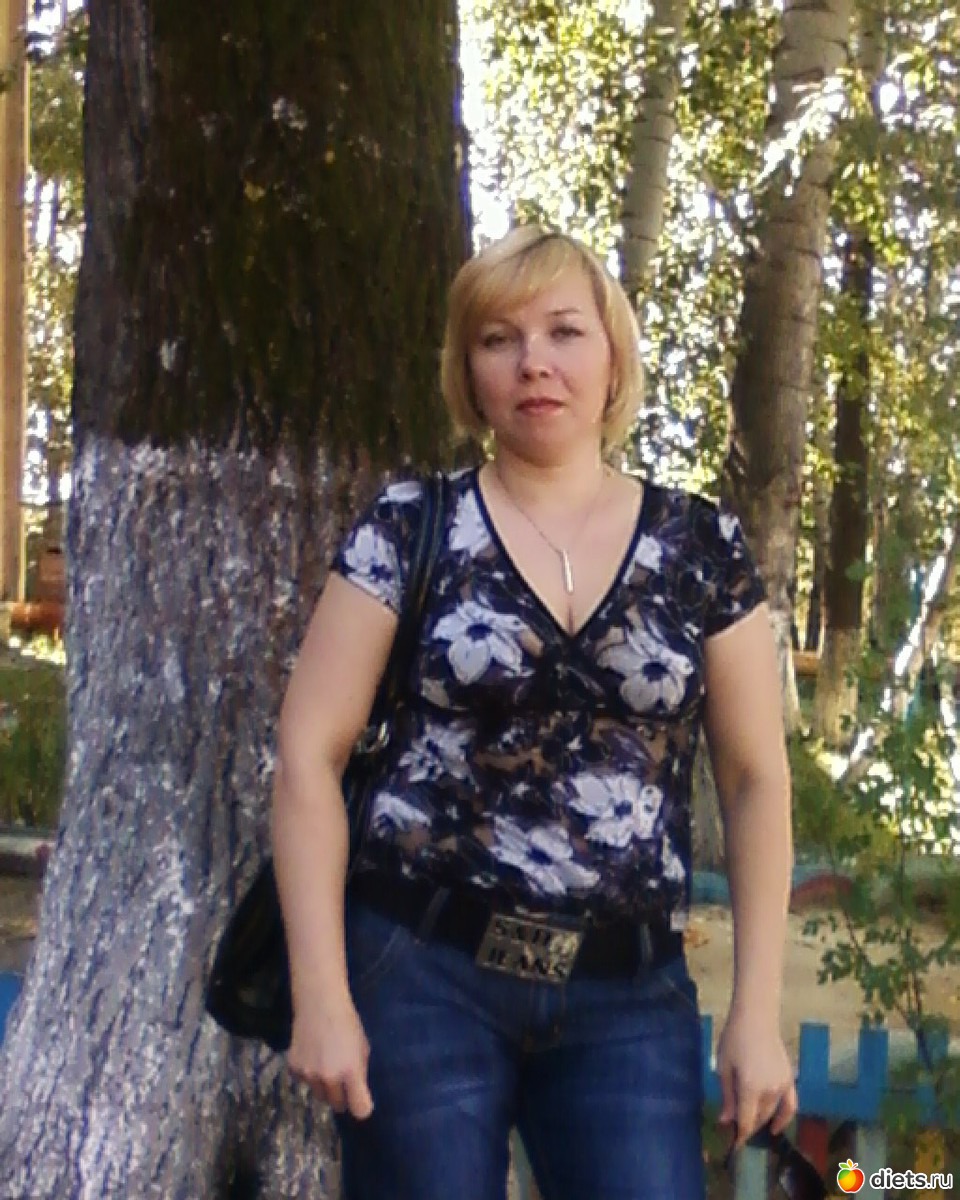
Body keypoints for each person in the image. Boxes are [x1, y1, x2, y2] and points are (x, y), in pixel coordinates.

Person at [271, 226, 797, 1200]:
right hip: (421, 972)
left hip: (626, 996)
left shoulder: (702, 547)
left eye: (564, 332)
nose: (534, 363)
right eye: (498, 339)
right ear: (469, 374)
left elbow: (756, 778)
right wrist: (323, 996)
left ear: (613, 360)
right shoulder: (411, 525)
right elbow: (308, 752)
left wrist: (756, 1014)